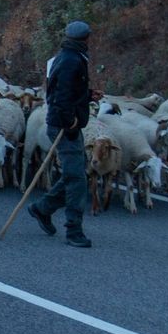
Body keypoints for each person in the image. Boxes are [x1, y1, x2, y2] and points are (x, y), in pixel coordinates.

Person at [28, 20, 96, 248]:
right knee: (76, 179)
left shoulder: (68, 56)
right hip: (65, 126)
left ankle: (43, 208)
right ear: (85, 38)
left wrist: (87, 96)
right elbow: (61, 95)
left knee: (75, 174)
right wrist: (69, 121)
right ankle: (73, 230)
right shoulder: (71, 60)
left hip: (66, 123)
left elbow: (67, 90)